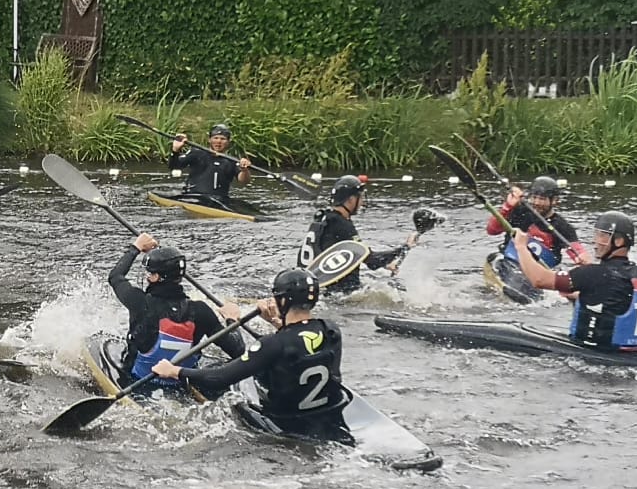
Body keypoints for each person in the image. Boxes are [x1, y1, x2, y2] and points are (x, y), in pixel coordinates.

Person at [152, 268, 351, 443]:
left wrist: (174, 371)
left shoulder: (272, 344)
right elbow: (299, 344)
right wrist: (276, 322)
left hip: (287, 425)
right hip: (328, 417)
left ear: (283, 300)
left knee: (223, 379)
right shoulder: (331, 331)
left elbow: (219, 378)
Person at [109, 233, 240, 392]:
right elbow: (238, 351)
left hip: (136, 380)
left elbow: (115, 277)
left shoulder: (139, 301)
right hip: (180, 385)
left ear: (156, 277)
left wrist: (135, 248)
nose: (147, 276)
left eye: (149, 273)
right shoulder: (201, 311)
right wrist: (232, 321)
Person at [510, 211, 637, 352]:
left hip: (596, 354)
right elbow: (612, 300)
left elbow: (539, 280)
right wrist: (581, 287)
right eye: (596, 235)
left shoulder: (595, 274)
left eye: (602, 236)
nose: (596, 242)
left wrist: (521, 247)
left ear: (619, 241)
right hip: (629, 352)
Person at [296, 176, 419, 294]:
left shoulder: (322, 216)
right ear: (351, 200)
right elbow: (372, 261)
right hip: (338, 293)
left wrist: (386, 264)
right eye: (360, 198)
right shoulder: (342, 225)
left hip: (312, 282)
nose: (362, 202)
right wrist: (406, 247)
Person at [484, 176, 584, 303]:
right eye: (534, 197)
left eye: (542, 199)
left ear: (554, 201)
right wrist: (507, 206)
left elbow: (577, 252)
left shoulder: (562, 227)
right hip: (509, 262)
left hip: (538, 271)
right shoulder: (519, 212)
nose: (536, 202)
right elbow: (492, 230)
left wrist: (581, 259)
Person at [168, 124, 251, 202]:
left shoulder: (231, 161)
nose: (218, 141)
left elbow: (244, 181)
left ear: (228, 142)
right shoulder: (196, 154)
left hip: (220, 200)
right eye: (216, 138)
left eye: (223, 139)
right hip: (193, 197)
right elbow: (174, 166)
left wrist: (244, 170)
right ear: (209, 139)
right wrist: (175, 150)